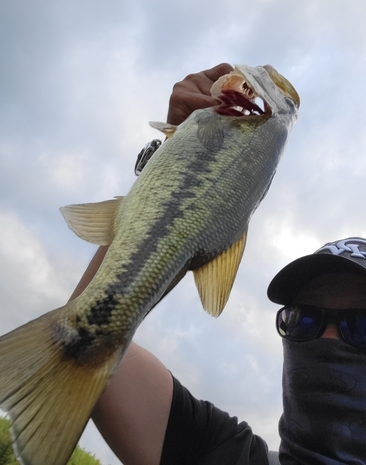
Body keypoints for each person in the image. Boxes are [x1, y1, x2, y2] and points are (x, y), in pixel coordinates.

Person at [69, 65, 366, 464]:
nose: (327, 338)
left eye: (362, 325)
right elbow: (82, 342)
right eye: (304, 320)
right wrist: (172, 162)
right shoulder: (221, 451)